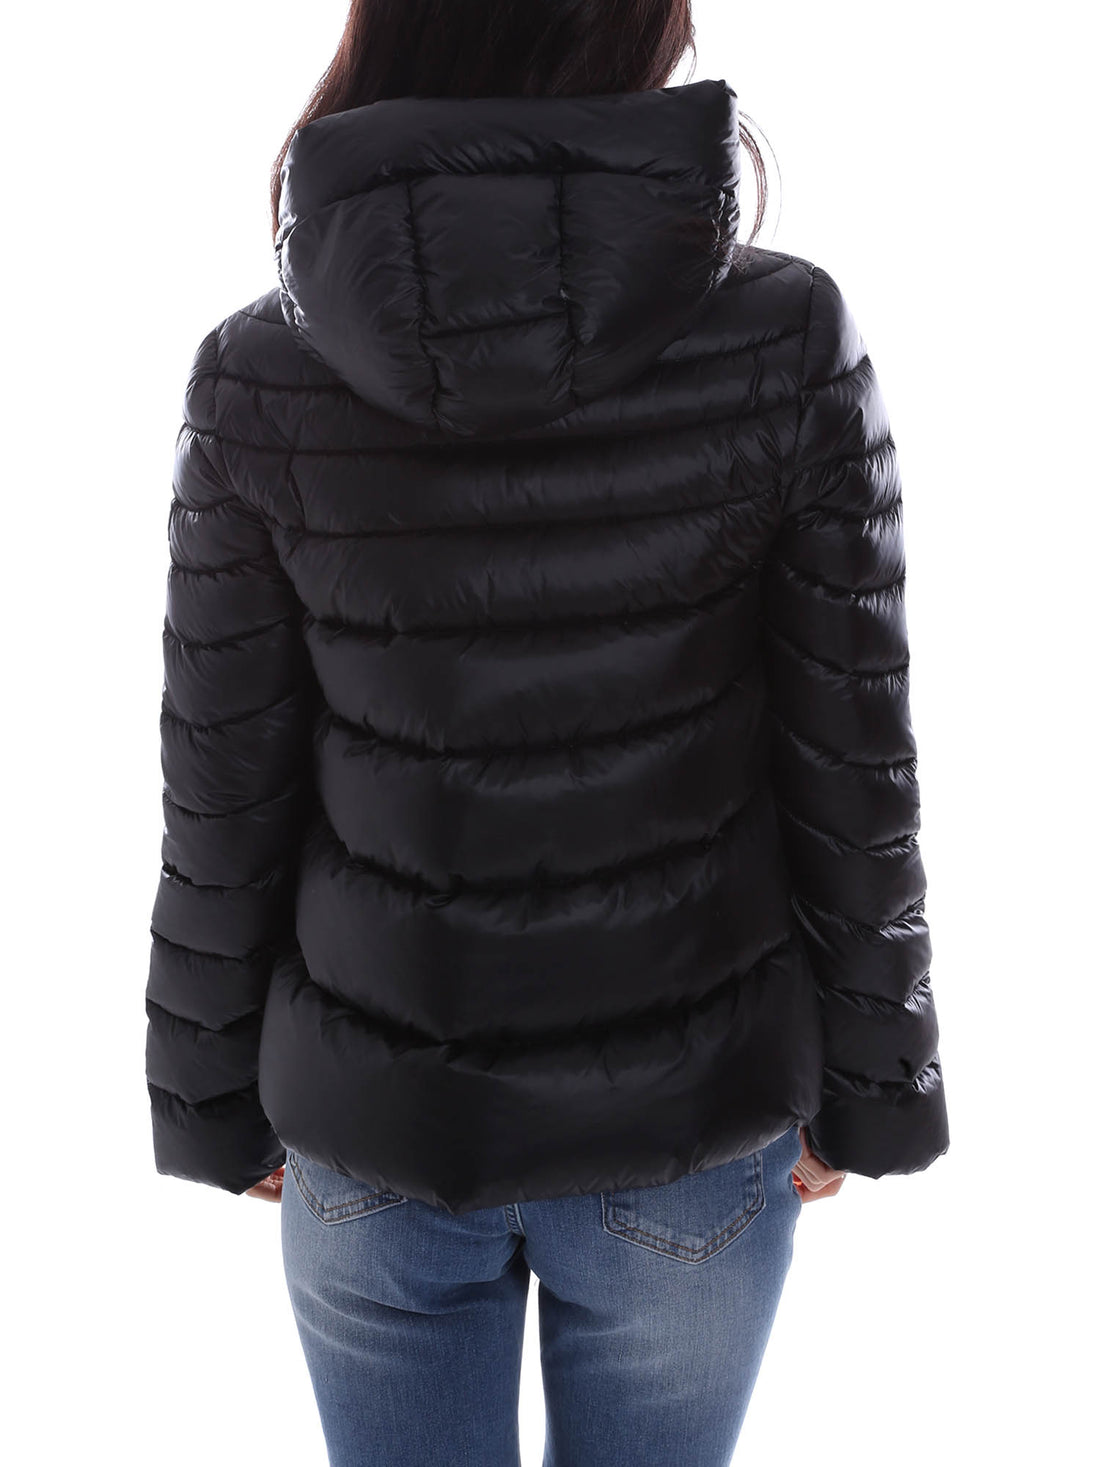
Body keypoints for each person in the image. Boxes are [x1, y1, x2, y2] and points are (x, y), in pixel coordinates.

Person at [143, 2, 949, 1461]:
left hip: (376, 1131)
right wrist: (875, 1090)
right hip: (692, 1128)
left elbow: (223, 796)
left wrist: (207, 1098)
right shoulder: (785, 337)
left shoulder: (258, 372)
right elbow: (850, 766)